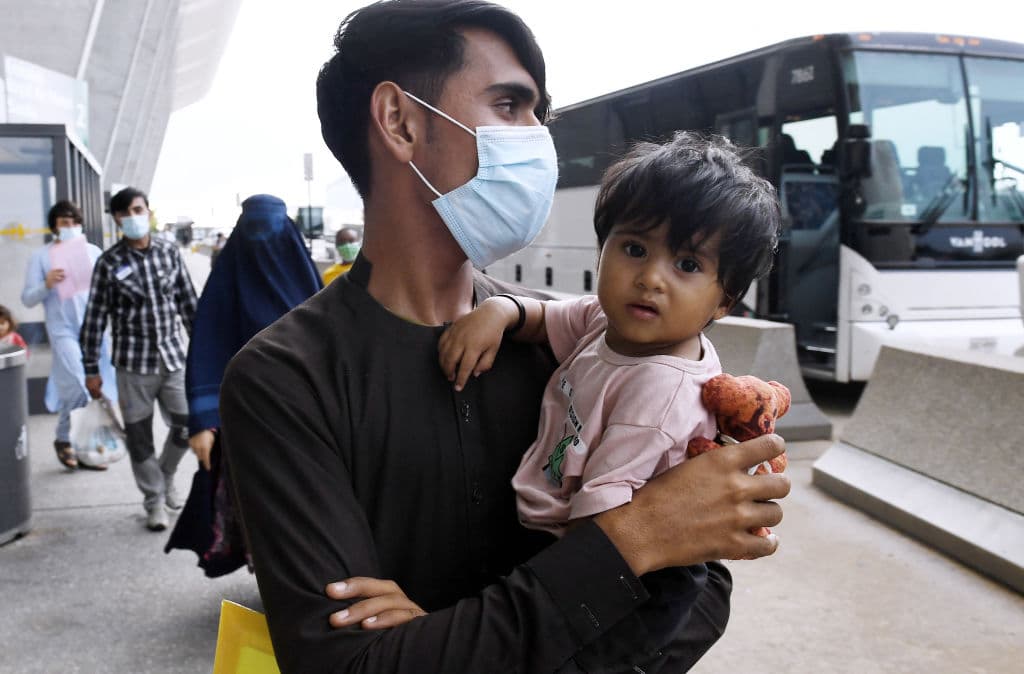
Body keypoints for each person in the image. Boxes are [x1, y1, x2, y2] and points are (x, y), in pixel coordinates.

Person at [219, 2, 789, 672]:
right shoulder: (285, 381)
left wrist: (433, 644)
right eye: (512, 106)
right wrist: (633, 537)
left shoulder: (577, 341)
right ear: (401, 122)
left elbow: (701, 593)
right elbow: (346, 666)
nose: (540, 140)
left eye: (539, 113)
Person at [437, 132, 780, 644]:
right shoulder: (612, 322)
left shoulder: (659, 394)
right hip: (582, 527)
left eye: (687, 265)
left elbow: (606, 538)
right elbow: (550, 317)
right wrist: (500, 310)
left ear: (725, 298)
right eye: (635, 249)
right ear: (604, 248)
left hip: (630, 581)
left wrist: (531, 600)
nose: (650, 279)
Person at [165, 194, 322, 576]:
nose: (261, 241)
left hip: (310, 427)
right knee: (260, 512)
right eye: (254, 229)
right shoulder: (226, 289)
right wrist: (202, 421)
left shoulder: (315, 292)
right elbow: (207, 348)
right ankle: (277, 585)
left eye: (269, 230)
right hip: (247, 427)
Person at [80, 187, 198, 531]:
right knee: (140, 436)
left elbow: (190, 305)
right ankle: (154, 501)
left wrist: (205, 355)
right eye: (126, 212)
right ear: (117, 219)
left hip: (173, 359)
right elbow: (94, 319)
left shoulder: (168, 252)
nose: (134, 216)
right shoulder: (109, 263)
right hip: (133, 366)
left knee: (189, 424)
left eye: (138, 209)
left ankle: (166, 474)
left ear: (148, 211)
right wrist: (91, 369)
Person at [21, 200, 117, 470]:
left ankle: (70, 441)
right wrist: (47, 283)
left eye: (75, 222)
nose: (71, 227)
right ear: (54, 226)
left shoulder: (93, 252)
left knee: (90, 387)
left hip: (94, 330)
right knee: (79, 381)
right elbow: (27, 299)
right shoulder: (41, 257)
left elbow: (109, 290)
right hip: (62, 330)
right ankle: (79, 441)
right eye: (64, 222)